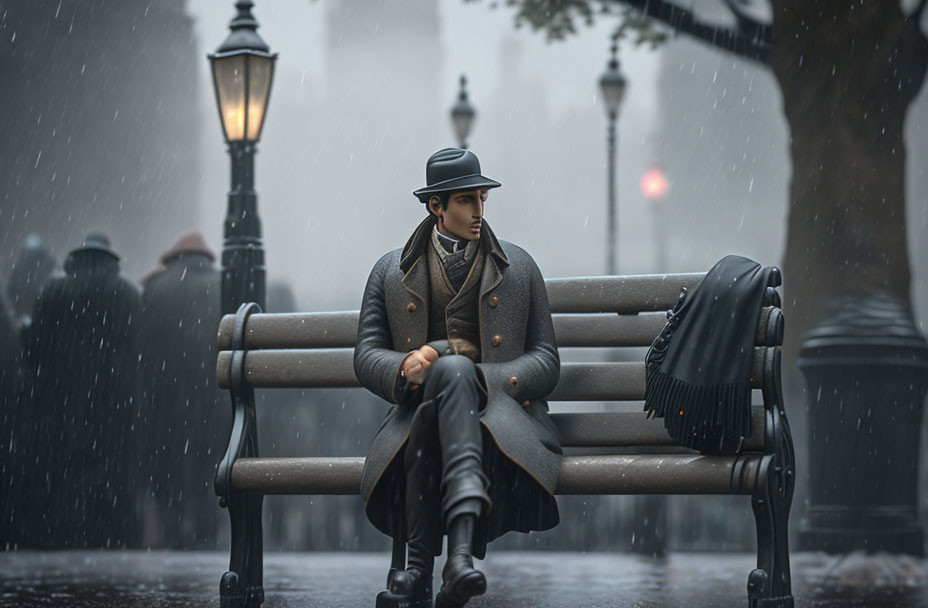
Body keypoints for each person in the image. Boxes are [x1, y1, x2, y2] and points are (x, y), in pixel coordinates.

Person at [354, 148, 562, 607]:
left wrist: (478, 375)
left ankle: (417, 569)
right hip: (421, 418)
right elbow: (366, 355)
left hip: (501, 423)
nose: (479, 212)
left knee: (451, 379)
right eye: (466, 201)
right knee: (438, 403)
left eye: (482, 199)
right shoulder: (391, 272)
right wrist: (401, 367)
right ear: (437, 207)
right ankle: (459, 562)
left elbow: (547, 361)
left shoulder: (519, 267)